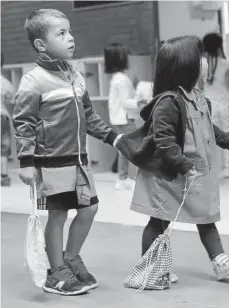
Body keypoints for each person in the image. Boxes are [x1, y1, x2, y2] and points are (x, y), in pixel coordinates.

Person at [13, 9, 121, 295]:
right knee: (58, 215)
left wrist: (113, 137)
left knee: (90, 209)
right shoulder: (33, 81)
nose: (70, 38)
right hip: (51, 162)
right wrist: (26, 161)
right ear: (40, 44)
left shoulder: (75, 75)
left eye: (69, 31)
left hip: (79, 160)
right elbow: (23, 123)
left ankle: (71, 257)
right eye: (61, 33)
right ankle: (56, 270)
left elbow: (89, 114)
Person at [122, 36, 229, 281]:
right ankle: (150, 269)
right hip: (168, 175)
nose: (204, 62)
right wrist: (183, 165)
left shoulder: (198, 97)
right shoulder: (168, 102)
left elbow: (210, 129)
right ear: (185, 64)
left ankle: (220, 261)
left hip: (192, 175)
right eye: (199, 57)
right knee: (158, 222)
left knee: (206, 216)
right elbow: (163, 140)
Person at [202, 33, 229, 178]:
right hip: (225, 103)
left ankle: (214, 168)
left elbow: (199, 86)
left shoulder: (202, 64)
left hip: (209, 104)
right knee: (227, 135)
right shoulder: (226, 64)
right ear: (219, 45)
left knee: (212, 136)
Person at [104, 42, 137, 190]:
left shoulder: (116, 78)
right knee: (133, 148)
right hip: (124, 118)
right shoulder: (122, 79)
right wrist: (142, 100)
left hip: (118, 118)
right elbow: (126, 102)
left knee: (124, 149)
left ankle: (123, 178)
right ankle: (127, 178)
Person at [1, 52, 15, 186]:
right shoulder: (5, 82)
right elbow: (11, 100)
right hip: (2, 116)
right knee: (3, 148)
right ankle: (4, 176)